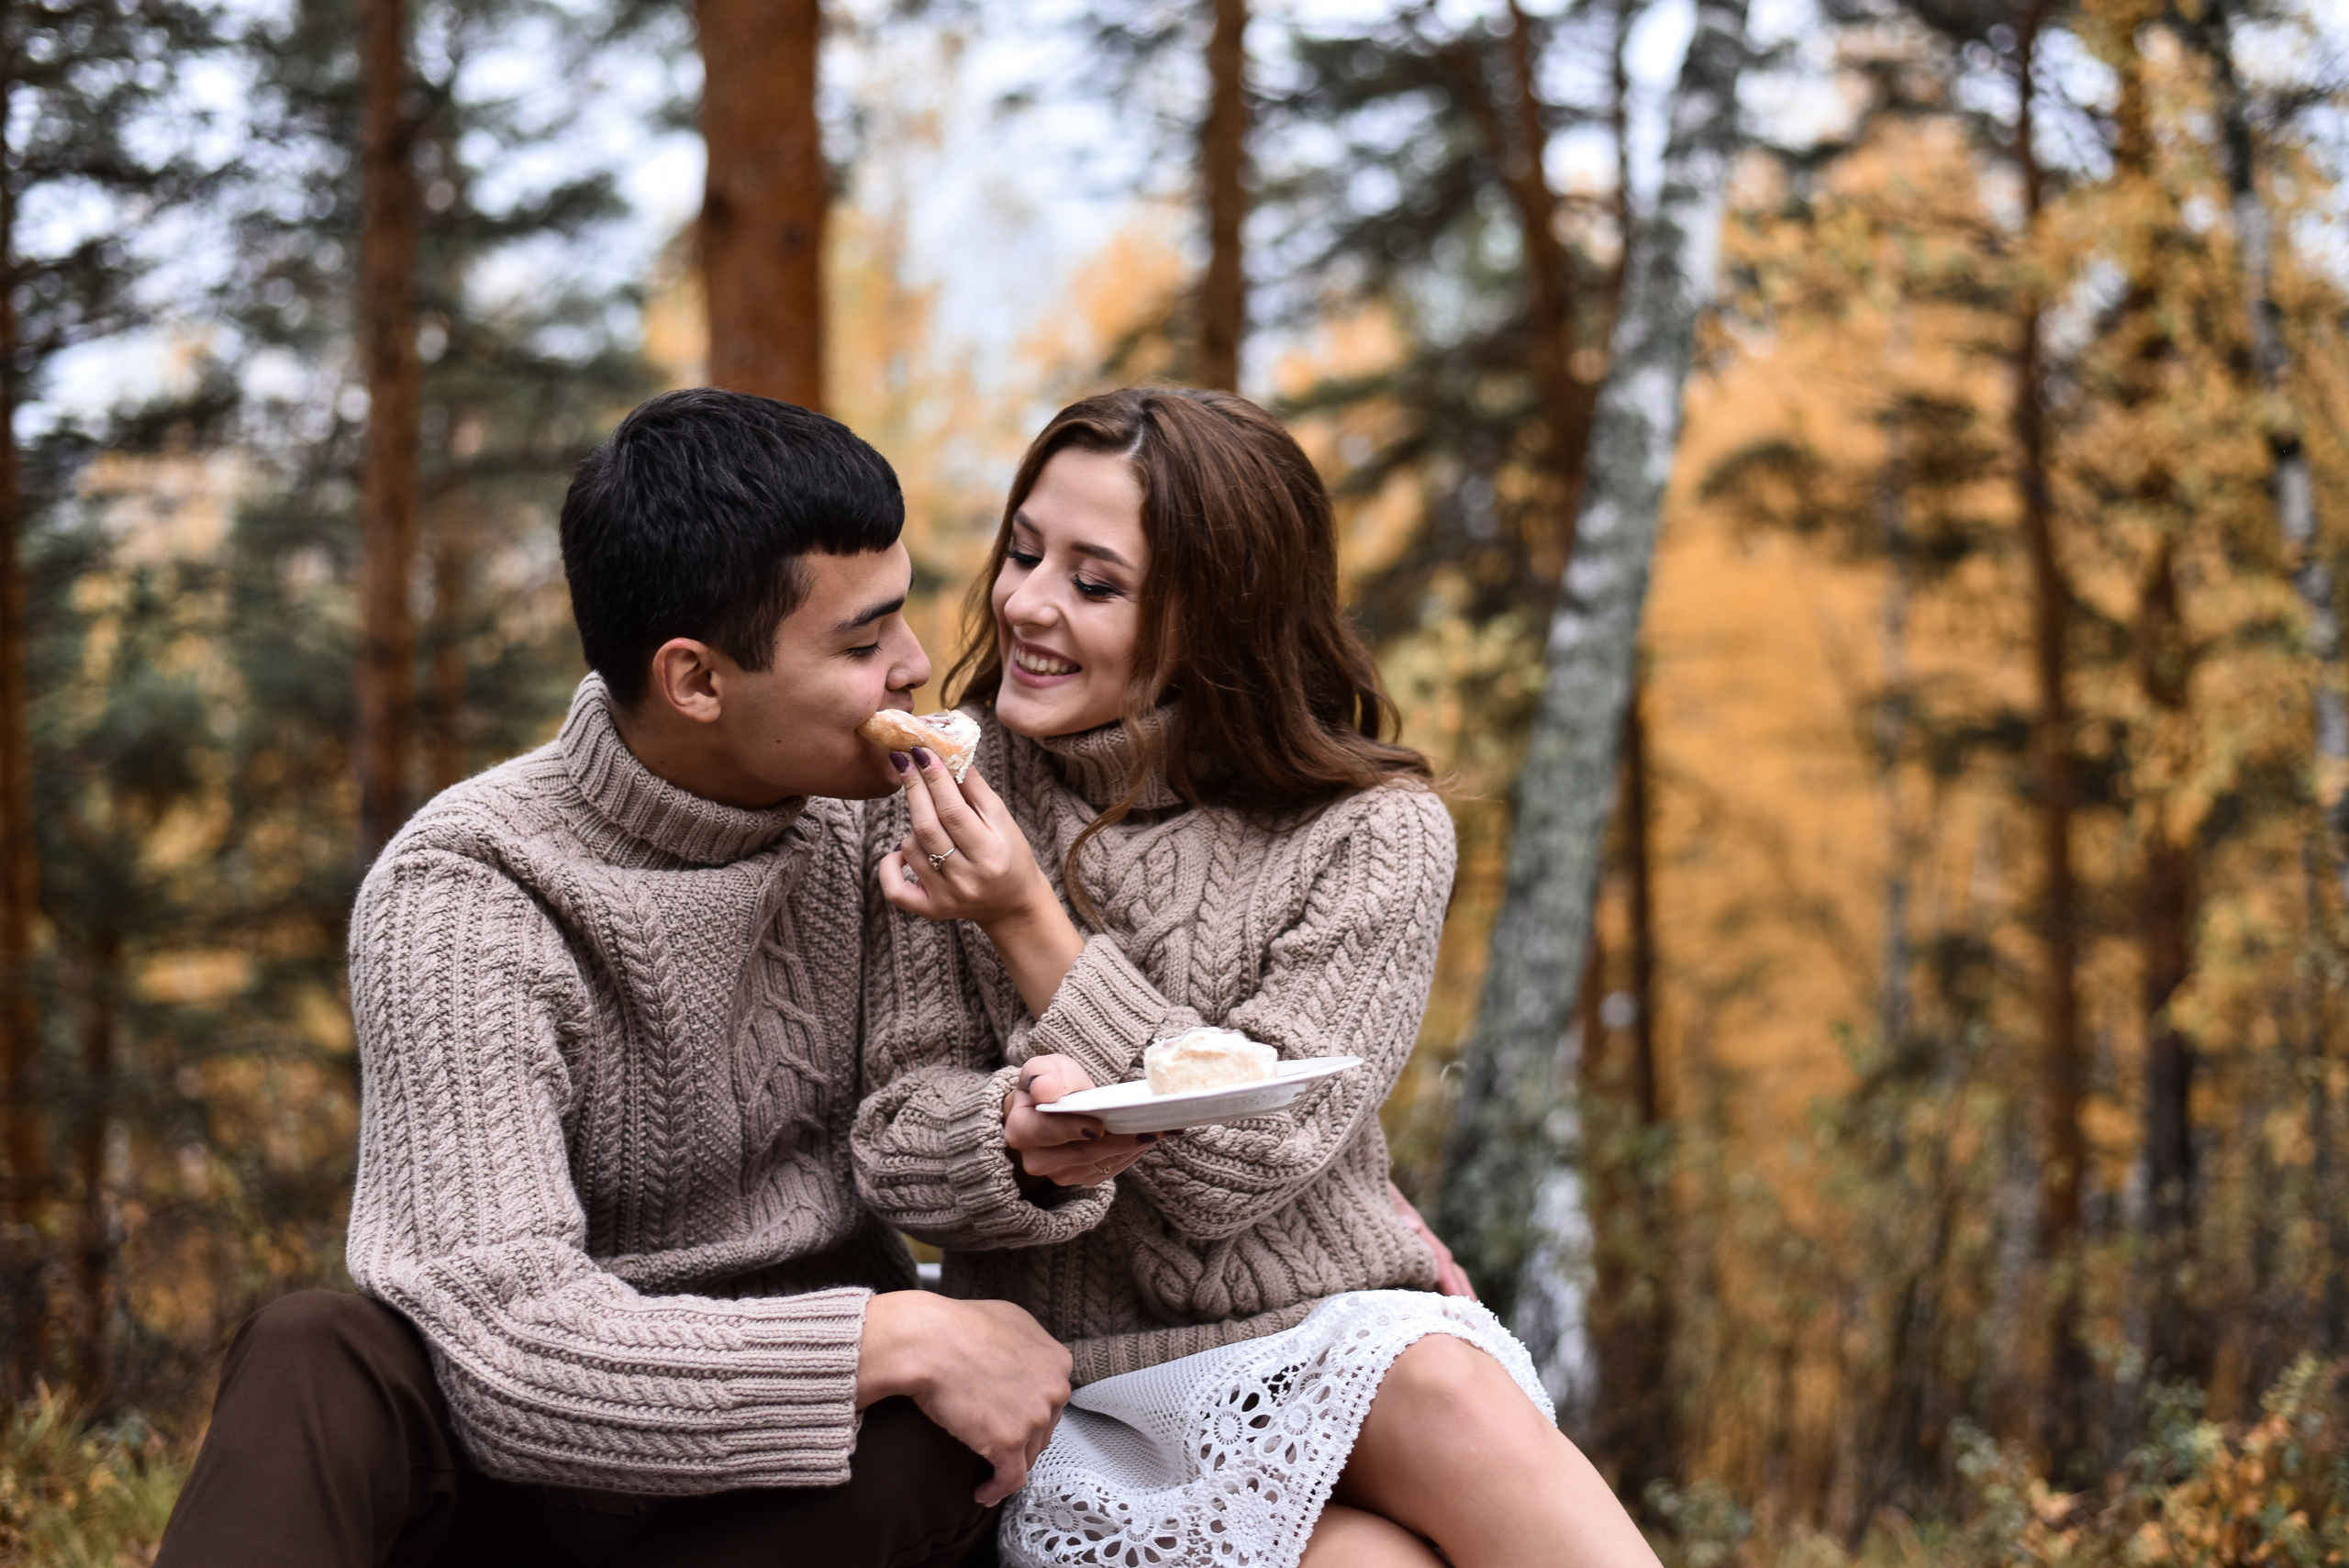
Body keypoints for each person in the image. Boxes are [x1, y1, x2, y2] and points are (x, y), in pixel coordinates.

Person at [154, 388, 1073, 1568]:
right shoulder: (466, 885)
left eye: (900, 617)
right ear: (695, 680)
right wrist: (884, 1338)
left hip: (791, 1490)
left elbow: (918, 1115)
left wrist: (1012, 1139)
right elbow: (512, 1339)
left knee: (930, 1444)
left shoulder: (885, 827)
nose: (914, 667)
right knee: (313, 1350)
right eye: (859, 643)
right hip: (530, 1462)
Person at [850, 387, 1664, 1568]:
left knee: (1452, 1387)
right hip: (1072, 1385)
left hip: (1333, 1332)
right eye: (1022, 552)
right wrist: (1014, 1145)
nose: (1024, 602)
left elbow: (1247, 1161)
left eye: (1094, 581)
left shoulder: (1376, 832)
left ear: (1219, 615)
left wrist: (1026, 915)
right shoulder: (948, 790)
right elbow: (894, 1144)